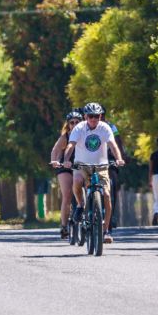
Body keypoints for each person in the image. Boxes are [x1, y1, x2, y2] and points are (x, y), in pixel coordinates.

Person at [63, 102, 125, 244]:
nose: (93, 119)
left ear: (100, 116)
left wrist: (119, 158)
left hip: (101, 166)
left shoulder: (105, 127)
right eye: (90, 116)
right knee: (77, 181)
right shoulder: (79, 128)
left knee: (108, 195)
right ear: (85, 116)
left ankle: (105, 230)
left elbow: (112, 144)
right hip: (82, 165)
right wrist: (66, 159)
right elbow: (70, 145)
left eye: (96, 116)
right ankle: (80, 204)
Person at [49, 110, 82, 239]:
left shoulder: (85, 135)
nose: (74, 125)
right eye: (71, 123)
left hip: (81, 166)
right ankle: (64, 226)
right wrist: (55, 161)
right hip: (66, 167)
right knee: (67, 194)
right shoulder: (65, 137)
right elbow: (55, 150)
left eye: (77, 122)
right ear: (68, 125)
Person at [101, 105, 127, 230]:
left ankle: (111, 215)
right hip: (93, 159)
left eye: (100, 115)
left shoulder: (111, 127)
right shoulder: (87, 127)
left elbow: (118, 142)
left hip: (109, 158)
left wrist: (120, 156)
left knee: (114, 182)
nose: (97, 118)